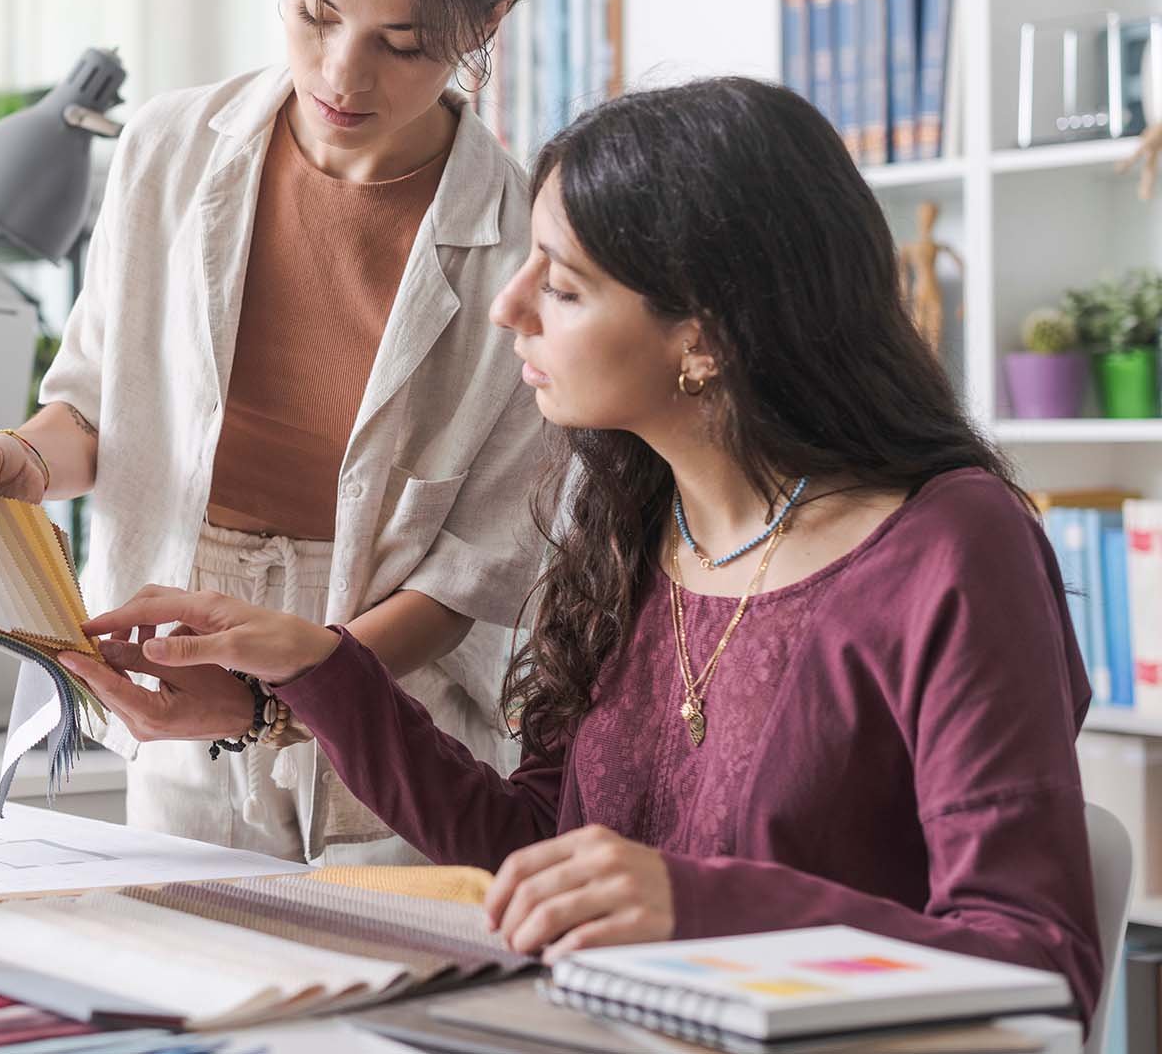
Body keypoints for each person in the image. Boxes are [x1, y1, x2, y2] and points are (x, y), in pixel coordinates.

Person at [62, 77, 1104, 1029]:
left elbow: (1034, 954)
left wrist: (694, 904)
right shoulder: (626, 528)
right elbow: (527, 856)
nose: (509, 307)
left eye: (560, 287)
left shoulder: (949, 548)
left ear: (705, 337)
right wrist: (318, 669)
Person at [0, 0, 548, 864]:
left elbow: (465, 577)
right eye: (316, 14)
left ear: (484, 25)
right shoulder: (168, 151)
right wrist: (23, 462)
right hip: (176, 687)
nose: (339, 74)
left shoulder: (522, 243)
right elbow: (91, 405)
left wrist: (291, 694)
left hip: (387, 716)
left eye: (400, 45)